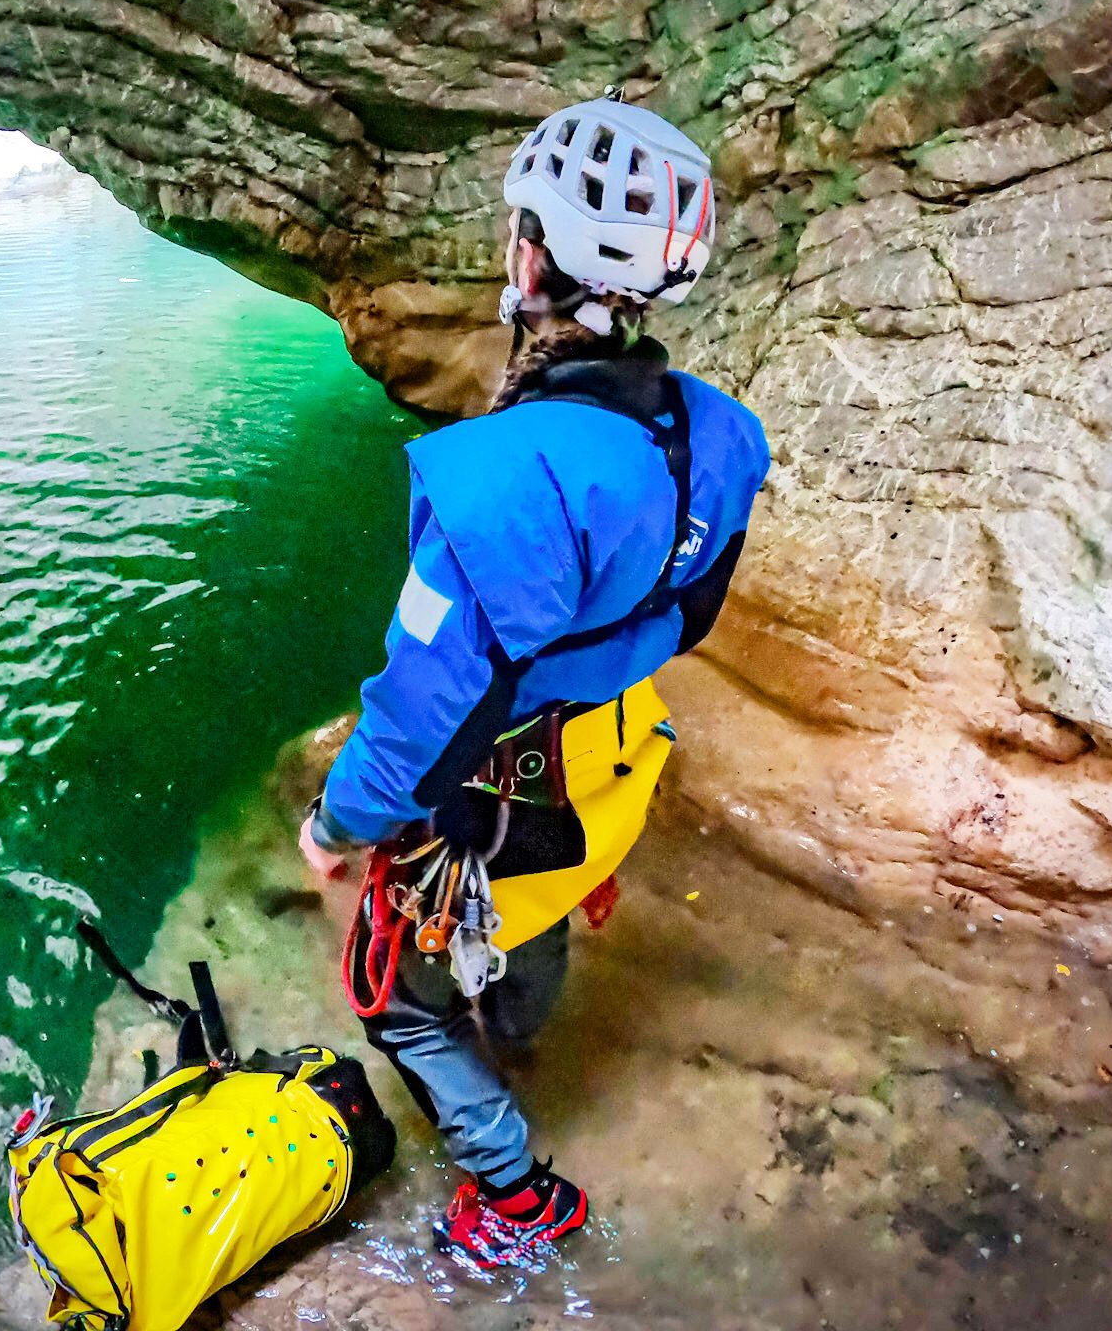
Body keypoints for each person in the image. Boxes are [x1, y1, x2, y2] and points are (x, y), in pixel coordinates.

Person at [298, 93, 770, 1267]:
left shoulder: (506, 483)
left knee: (390, 998)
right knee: (533, 909)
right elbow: (686, 616)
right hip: (599, 782)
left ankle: (515, 1192)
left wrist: (335, 823)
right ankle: (515, 1021)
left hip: (498, 796)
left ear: (532, 256)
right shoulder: (716, 436)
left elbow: (418, 716)